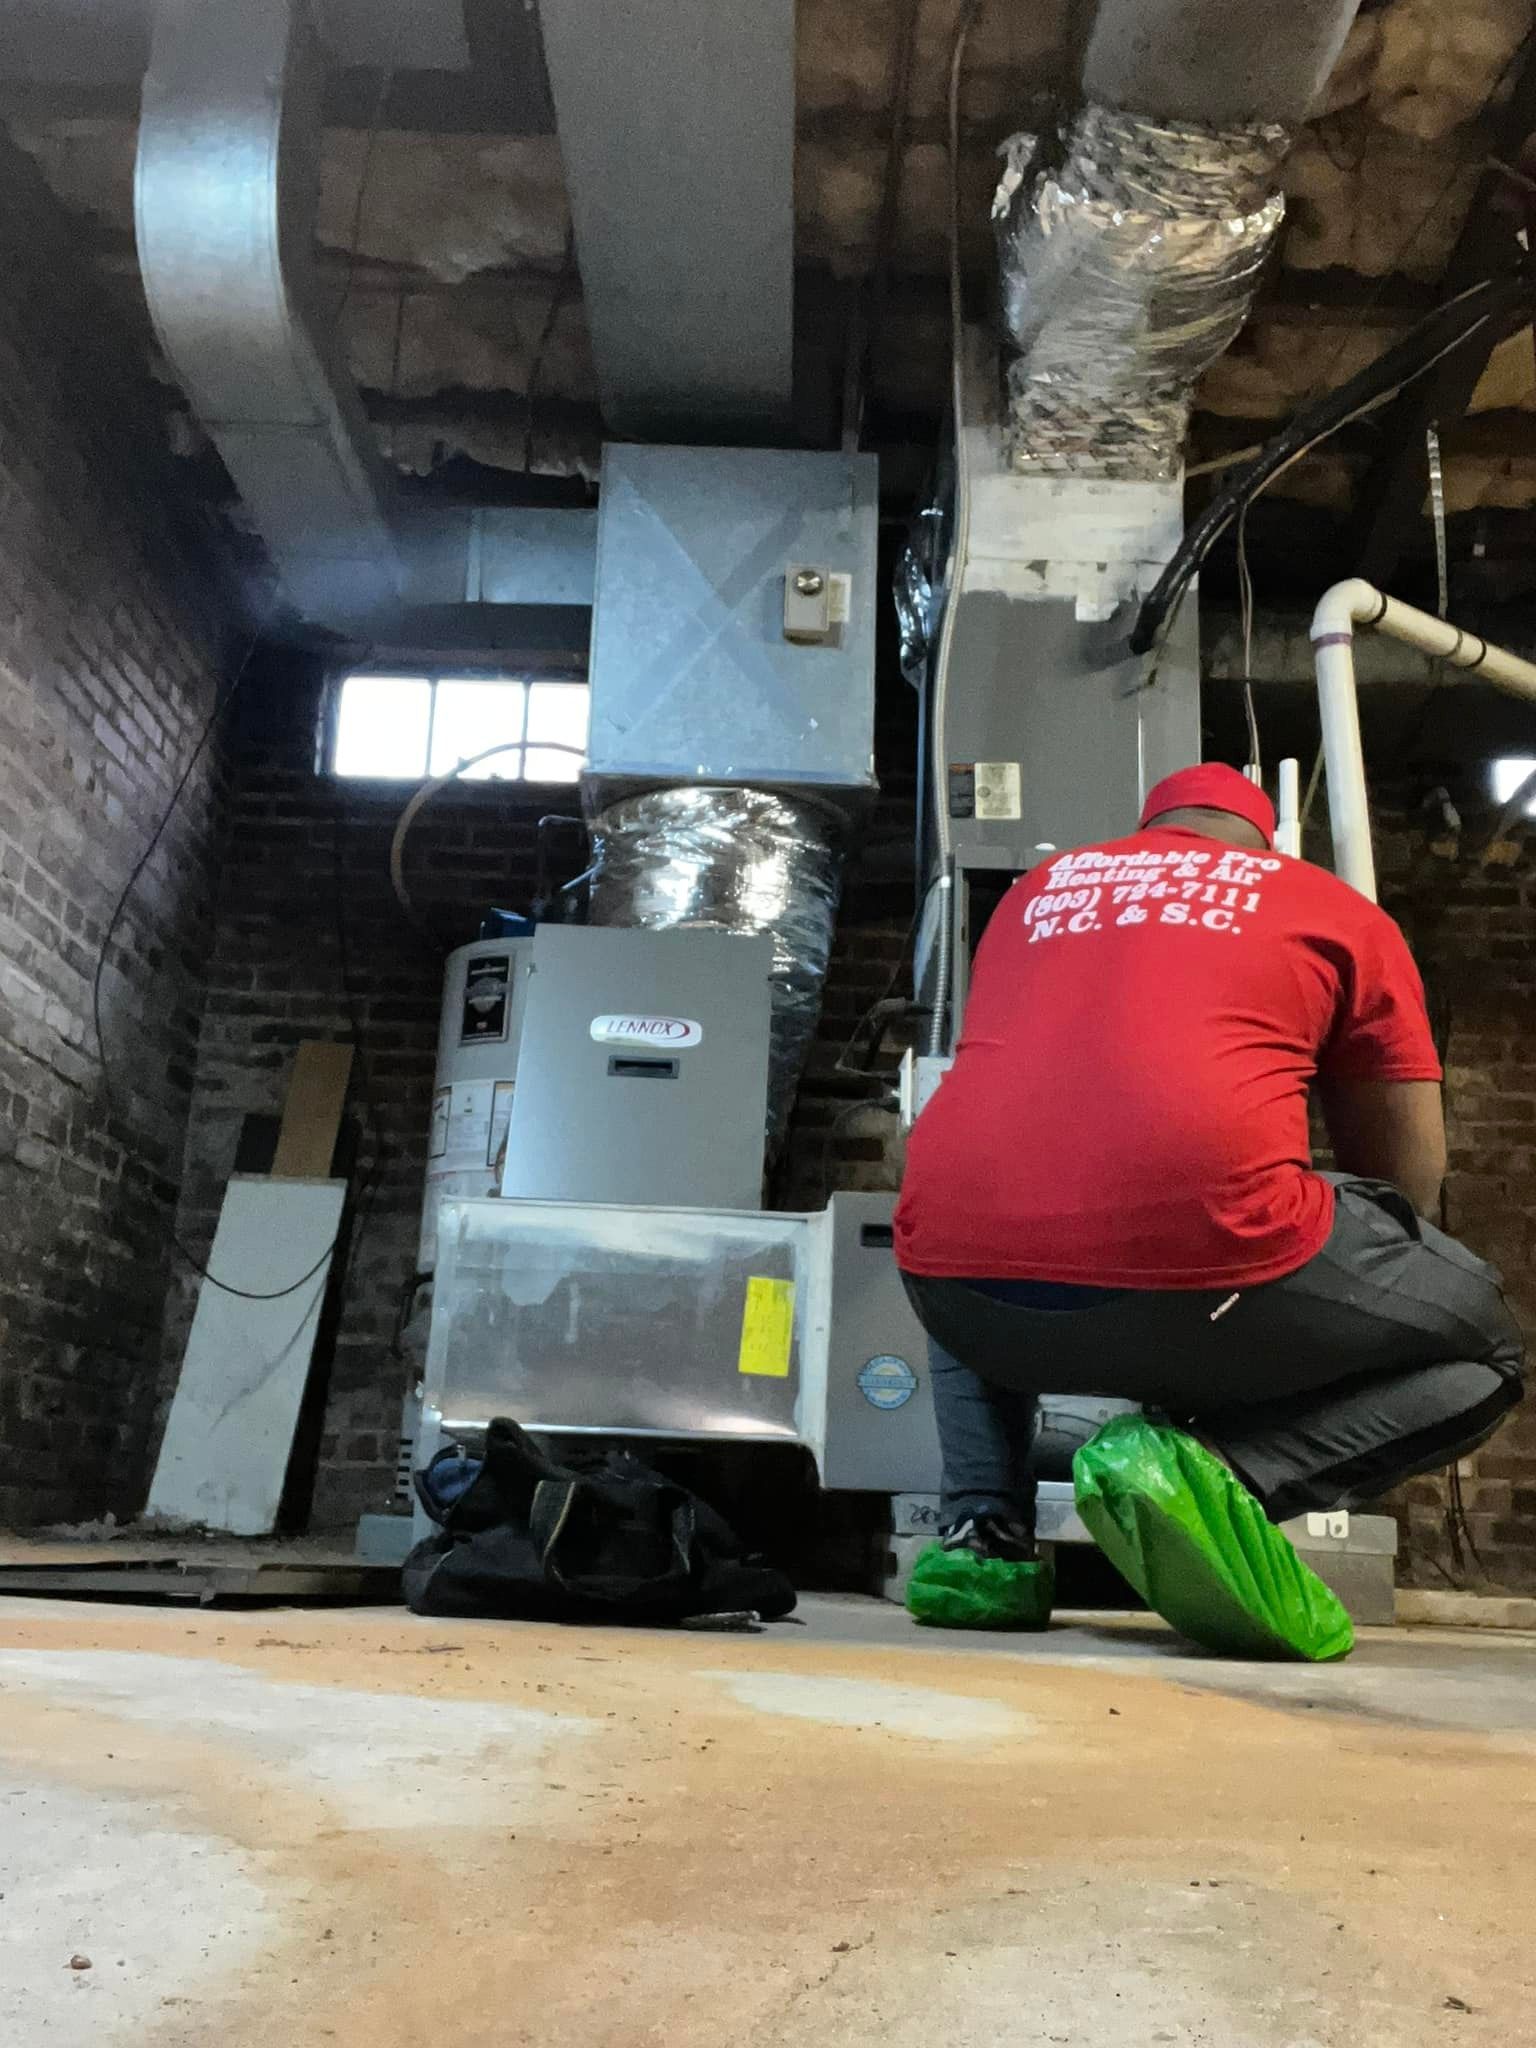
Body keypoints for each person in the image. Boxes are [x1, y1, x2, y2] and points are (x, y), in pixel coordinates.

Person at [894, 761, 1525, 1587]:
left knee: (970, 1225)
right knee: (1488, 1353)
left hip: (960, 1295)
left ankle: (982, 1529)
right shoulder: (1329, 905)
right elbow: (1404, 1176)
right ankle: (1212, 1481)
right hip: (1210, 1265)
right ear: (1261, 840)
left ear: (1151, 829)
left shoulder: (1037, 892)